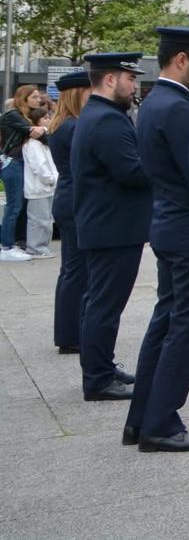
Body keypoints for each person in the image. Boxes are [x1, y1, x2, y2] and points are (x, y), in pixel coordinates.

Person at [125, 26, 189, 452]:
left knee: (165, 322)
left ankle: (141, 417)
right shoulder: (177, 107)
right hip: (187, 231)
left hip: (168, 224)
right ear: (182, 60)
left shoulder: (156, 101)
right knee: (187, 326)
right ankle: (160, 423)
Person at [73, 52, 152, 400]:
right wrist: (160, 160)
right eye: (130, 78)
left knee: (100, 303)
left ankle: (101, 365)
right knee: (104, 307)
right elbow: (132, 172)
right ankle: (98, 378)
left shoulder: (100, 114)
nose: (134, 85)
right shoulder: (107, 120)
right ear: (109, 80)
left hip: (107, 225)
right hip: (113, 228)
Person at [49, 72, 90, 351]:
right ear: (78, 93)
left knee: (70, 270)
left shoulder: (60, 124)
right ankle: (70, 335)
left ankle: (66, 332)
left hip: (65, 198)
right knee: (77, 271)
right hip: (76, 201)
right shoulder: (74, 126)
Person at [0, 84, 49, 261]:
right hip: (13, 163)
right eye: (34, 96)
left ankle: (16, 243)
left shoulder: (25, 116)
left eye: (38, 96)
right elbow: (35, 133)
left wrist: (43, 130)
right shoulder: (13, 115)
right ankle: (6, 247)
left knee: (19, 206)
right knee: (14, 206)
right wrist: (43, 129)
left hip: (20, 164)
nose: (38, 99)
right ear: (24, 97)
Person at [21, 103, 57, 257]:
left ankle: (42, 246)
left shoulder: (43, 142)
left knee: (46, 219)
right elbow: (39, 166)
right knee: (38, 220)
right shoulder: (33, 144)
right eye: (45, 117)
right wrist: (51, 179)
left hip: (46, 187)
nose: (49, 120)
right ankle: (36, 248)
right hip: (39, 187)